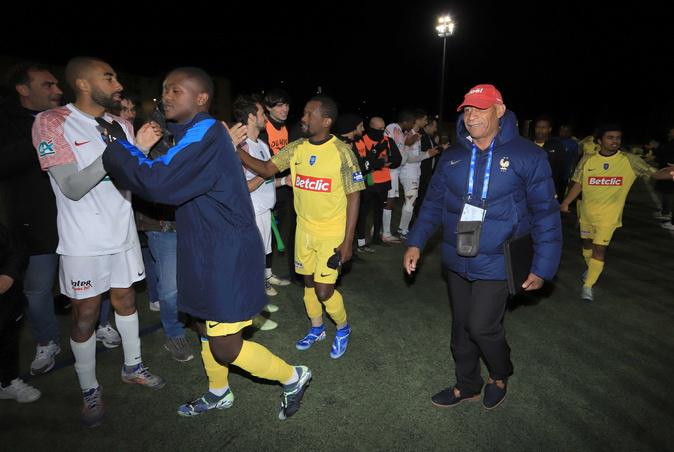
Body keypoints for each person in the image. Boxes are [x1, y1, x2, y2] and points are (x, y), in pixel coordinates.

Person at [102, 67, 311, 420]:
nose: (166, 96)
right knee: (201, 324)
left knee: (226, 346)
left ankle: (293, 376)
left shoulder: (206, 131)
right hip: (203, 246)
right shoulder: (194, 134)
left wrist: (120, 149)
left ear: (201, 98)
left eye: (175, 90)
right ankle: (219, 392)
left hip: (223, 252)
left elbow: (158, 181)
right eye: (164, 89)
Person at [404, 84, 563, 410]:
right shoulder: (452, 156)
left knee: (482, 326)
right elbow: (433, 205)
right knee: (461, 328)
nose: (471, 115)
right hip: (457, 255)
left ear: (500, 111)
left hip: (498, 258)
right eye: (467, 110)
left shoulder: (528, 155)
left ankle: (500, 374)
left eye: (480, 109)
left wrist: (542, 266)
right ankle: (467, 385)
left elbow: (546, 214)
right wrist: (416, 242)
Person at [32, 56, 165, 427]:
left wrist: (146, 155)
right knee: (86, 315)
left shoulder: (120, 123)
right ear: (85, 84)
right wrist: (123, 151)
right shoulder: (52, 122)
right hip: (83, 241)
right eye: (109, 76)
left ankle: (133, 366)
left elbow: (133, 175)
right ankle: (90, 389)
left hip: (122, 233)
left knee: (125, 301)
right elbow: (72, 187)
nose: (117, 83)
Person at [239, 95, 365, 360]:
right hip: (304, 232)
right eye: (304, 113)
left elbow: (354, 195)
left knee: (324, 289)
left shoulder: (343, 152)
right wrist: (234, 149)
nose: (303, 118)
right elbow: (265, 169)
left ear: (326, 121)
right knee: (308, 283)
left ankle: (343, 327)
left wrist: (348, 241)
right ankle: (317, 327)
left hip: (331, 233)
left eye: (309, 114)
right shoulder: (296, 148)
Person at [560, 124, 674, 302]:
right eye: (610, 137)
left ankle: (588, 286)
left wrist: (670, 172)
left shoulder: (629, 160)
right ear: (599, 141)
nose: (615, 141)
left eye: (618, 138)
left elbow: (655, 174)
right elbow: (579, 183)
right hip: (587, 214)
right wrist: (566, 202)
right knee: (587, 245)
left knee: (599, 248)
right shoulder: (588, 159)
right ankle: (591, 269)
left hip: (609, 217)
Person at [1, 62, 65, 375]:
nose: (57, 91)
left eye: (57, 85)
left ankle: (102, 325)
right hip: (35, 222)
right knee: (37, 289)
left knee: (97, 281)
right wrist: (40, 138)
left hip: (77, 216)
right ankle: (46, 340)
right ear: (23, 89)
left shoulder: (66, 117)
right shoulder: (8, 121)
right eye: (47, 85)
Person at [233, 93, 281, 330]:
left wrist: (283, 181)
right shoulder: (239, 147)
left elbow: (268, 180)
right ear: (252, 117)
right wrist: (266, 174)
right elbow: (240, 188)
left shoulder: (261, 144)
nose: (265, 118)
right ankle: (249, 315)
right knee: (249, 265)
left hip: (264, 212)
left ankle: (257, 305)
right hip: (250, 213)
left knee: (259, 262)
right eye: (262, 113)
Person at [0, 222, 41, 403]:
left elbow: (15, 250)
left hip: (5, 301)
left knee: (7, 338)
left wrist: (8, 274)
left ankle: (7, 382)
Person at [259, 88, 295, 286]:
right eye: (279, 105)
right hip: (265, 186)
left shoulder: (284, 127)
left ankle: (268, 272)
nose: (285, 109)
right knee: (263, 233)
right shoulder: (263, 128)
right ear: (268, 108)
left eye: (287, 104)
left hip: (284, 186)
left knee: (278, 233)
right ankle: (261, 278)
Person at [382, 110, 416, 243]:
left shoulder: (400, 132)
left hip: (395, 170)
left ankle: (380, 230)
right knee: (389, 201)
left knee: (389, 201)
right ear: (405, 121)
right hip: (391, 171)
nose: (412, 126)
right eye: (412, 123)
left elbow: (399, 148)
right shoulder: (394, 128)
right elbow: (391, 148)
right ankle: (386, 233)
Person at [533, 116, 567, 200]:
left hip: (549, 190)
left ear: (549, 129)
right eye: (538, 127)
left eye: (544, 127)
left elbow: (561, 171)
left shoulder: (557, 146)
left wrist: (559, 193)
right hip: (530, 189)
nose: (540, 130)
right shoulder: (528, 145)